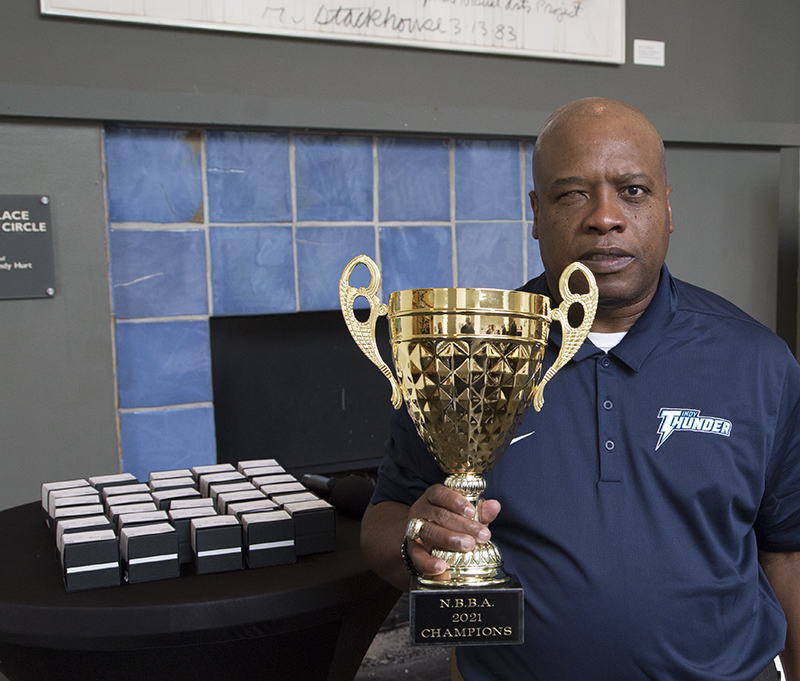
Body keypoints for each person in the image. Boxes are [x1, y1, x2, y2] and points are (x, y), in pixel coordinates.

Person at [361, 97, 800, 681]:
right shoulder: (463, 356)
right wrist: (416, 540)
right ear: (536, 214)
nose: (605, 217)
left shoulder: (757, 362)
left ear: (668, 209)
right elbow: (383, 517)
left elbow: (787, 552)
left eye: (634, 191)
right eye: (572, 195)